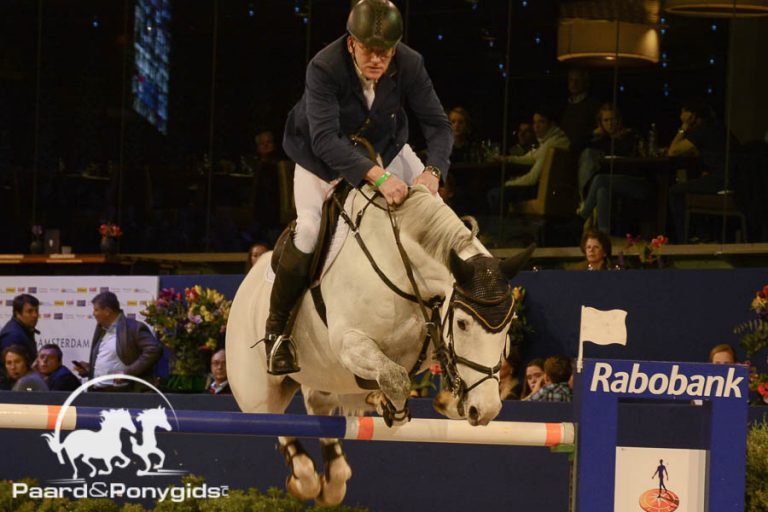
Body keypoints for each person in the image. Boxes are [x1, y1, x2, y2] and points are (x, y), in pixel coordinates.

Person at [267, 0, 452, 375]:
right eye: (369, 50)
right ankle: (277, 332)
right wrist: (379, 177)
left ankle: (458, 324)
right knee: (308, 230)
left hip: (386, 145)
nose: (378, 61)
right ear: (352, 43)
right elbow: (324, 139)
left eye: (386, 52)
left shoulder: (410, 63)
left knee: (440, 213)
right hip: (321, 157)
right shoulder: (324, 66)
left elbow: (438, 125)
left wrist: (433, 171)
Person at [576, 105, 649, 235]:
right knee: (602, 189)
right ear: (601, 123)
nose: (610, 123)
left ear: (619, 120)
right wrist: (593, 133)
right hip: (613, 183)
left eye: (613, 119)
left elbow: (639, 159)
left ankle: (581, 216)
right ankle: (604, 235)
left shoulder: (630, 135)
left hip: (636, 182)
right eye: (606, 120)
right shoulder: (602, 140)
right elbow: (576, 145)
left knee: (601, 179)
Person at [667, 99, 732, 243]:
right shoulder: (718, 127)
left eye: (683, 112)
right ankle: (701, 234)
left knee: (675, 191)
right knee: (694, 185)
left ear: (692, 115)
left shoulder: (702, 130)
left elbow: (672, 151)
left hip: (722, 180)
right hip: (733, 178)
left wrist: (683, 127)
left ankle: (684, 239)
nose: (680, 115)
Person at [73, 291, 162, 391]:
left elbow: (154, 350)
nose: (94, 314)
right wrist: (89, 369)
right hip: (98, 392)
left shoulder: (134, 328)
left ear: (107, 311)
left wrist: (128, 373)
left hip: (123, 394)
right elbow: (110, 362)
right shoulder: (101, 330)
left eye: (96, 310)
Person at [488, 107, 570, 210]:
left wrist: (510, 183)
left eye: (541, 122)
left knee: (495, 193)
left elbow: (532, 178)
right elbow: (531, 157)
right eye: (534, 122)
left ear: (552, 124)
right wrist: (506, 159)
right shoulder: (553, 140)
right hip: (546, 189)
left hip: (540, 190)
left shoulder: (552, 144)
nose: (536, 126)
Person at [559, 68, 602, 153]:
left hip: (585, 151)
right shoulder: (564, 106)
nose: (574, 84)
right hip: (566, 151)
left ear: (585, 83)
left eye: (578, 80)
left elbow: (598, 132)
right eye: (571, 80)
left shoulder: (593, 105)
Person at [0, 293, 40, 363]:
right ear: (17, 314)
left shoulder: (25, 329)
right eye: (30, 311)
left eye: (36, 311)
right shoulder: (12, 336)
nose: (35, 315)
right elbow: (11, 370)